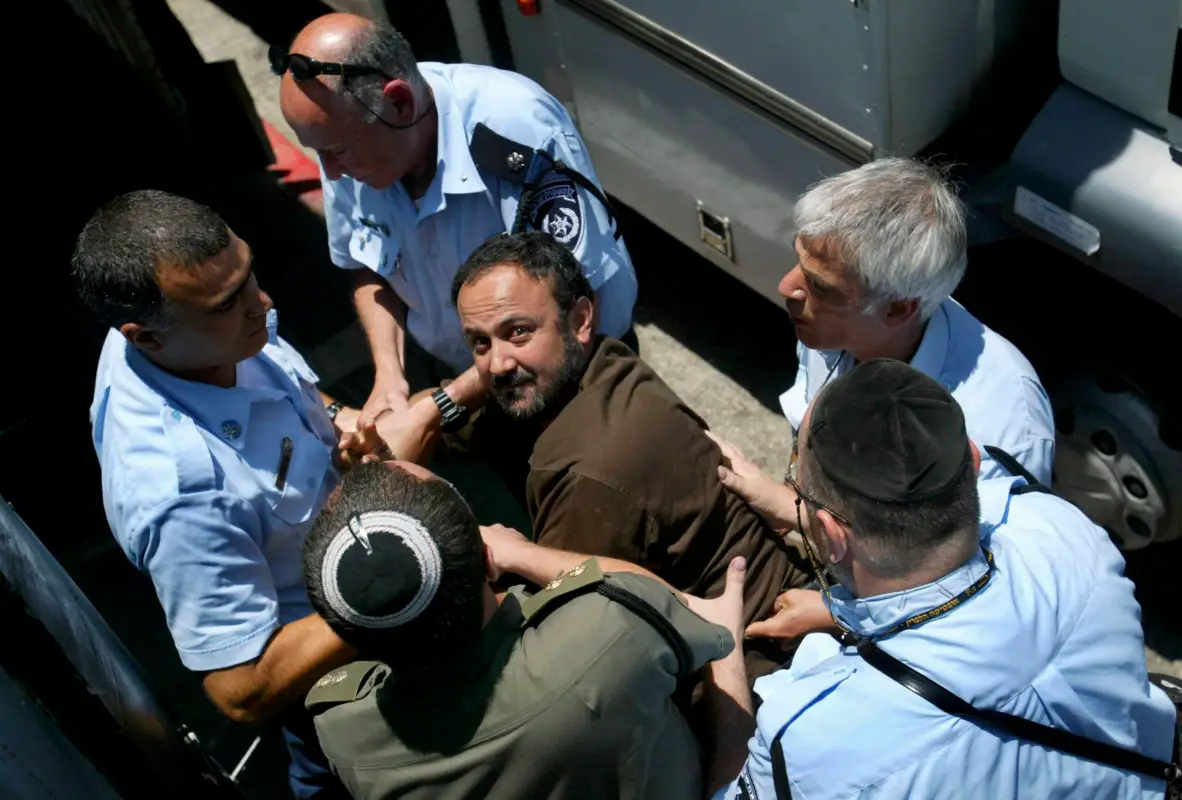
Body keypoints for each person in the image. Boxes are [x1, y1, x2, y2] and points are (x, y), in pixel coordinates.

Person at [705, 359, 1177, 800]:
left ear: (832, 533)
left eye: (798, 486)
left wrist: (723, 658)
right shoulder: (1068, 533)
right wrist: (811, 522)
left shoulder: (812, 740)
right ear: (972, 462)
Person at [76, 190, 382, 798]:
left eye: (249, 276)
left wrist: (338, 420)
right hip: (346, 684)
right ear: (146, 339)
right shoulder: (179, 492)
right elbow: (241, 686)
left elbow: (279, 386)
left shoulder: (196, 328)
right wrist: (405, 584)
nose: (263, 306)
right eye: (229, 303)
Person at [422, 232, 810, 650]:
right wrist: (448, 398)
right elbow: (443, 428)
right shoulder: (600, 364)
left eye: (518, 332)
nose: (497, 364)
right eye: (479, 342)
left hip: (751, 664)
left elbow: (561, 633)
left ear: (580, 320)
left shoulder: (587, 470)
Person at [274, 12, 638, 433]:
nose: (330, 172)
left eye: (336, 151)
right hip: (469, 382)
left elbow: (567, 305)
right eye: (319, 152)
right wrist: (389, 376)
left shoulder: (515, 126)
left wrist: (441, 405)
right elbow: (365, 264)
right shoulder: (347, 134)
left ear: (399, 102)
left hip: (573, 377)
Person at [300, 460, 742, 800]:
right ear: (488, 560)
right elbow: (690, 614)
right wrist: (524, 553)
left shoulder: (343, 735)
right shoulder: (608, 632)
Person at [776, 157, 1055, 485]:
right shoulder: (828, 325)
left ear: (896, 310)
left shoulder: (1002, 428)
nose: (786, 287)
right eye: (799, 261)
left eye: (819, 285)